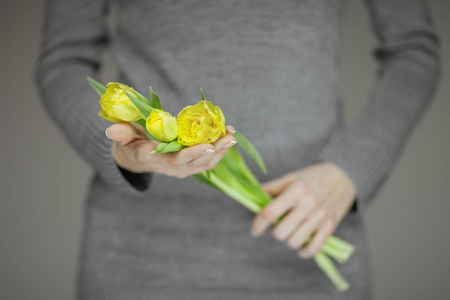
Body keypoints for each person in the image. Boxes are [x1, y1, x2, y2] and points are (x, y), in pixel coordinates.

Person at [34, 0, 440, 299]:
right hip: (139, 262)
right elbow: (64, 59)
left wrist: (350, 169)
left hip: (310, 241)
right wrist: (121, 153)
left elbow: (413, 49)